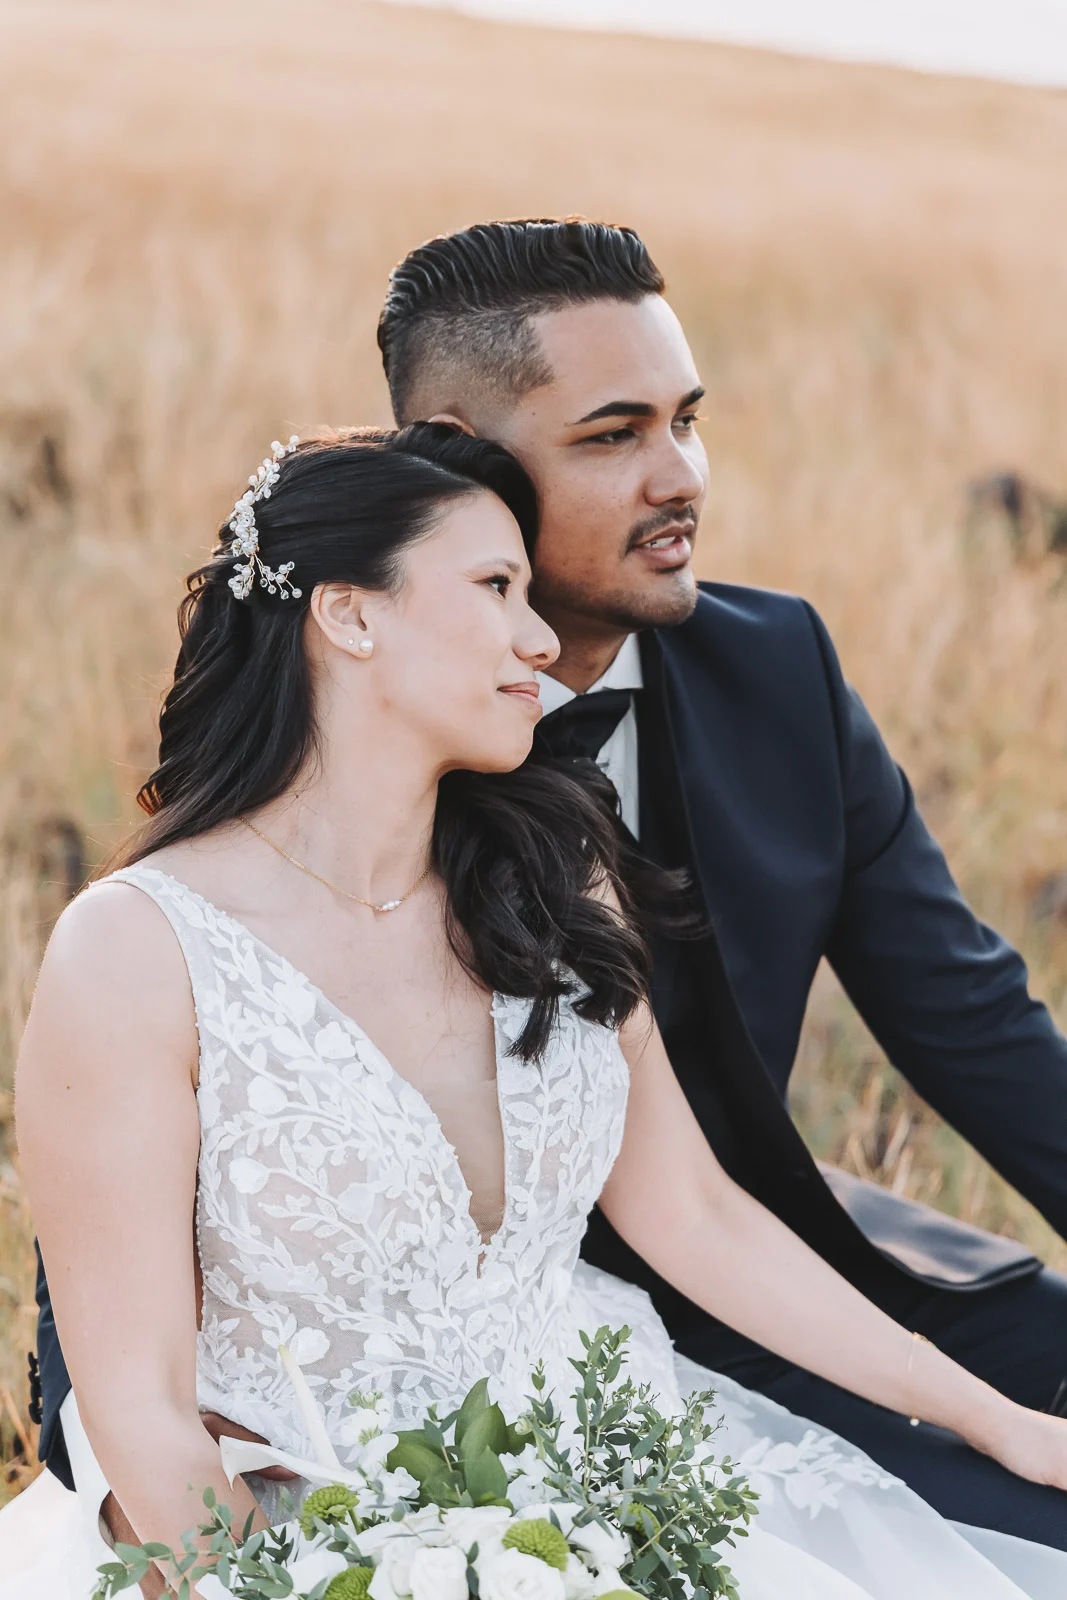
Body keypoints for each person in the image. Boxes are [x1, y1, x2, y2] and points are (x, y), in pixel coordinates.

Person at [6, 421, 1067, 1600]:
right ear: (351, 616)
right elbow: (140, 1403)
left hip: (619, 1494)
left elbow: (697, 1217)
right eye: (496, 588)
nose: (541, 638)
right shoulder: (138, 950)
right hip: (301, 1542)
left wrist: (995, 1419)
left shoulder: (553, 876)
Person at [364, 219, 1067, 1550]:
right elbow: (191, 1058)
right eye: (611, 435)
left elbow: (969, 1021)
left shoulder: (776, 666)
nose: (678, 475)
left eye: (684, 421)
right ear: (458, 457)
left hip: (808, 1266)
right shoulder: (351, 735)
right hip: (536, 1358)